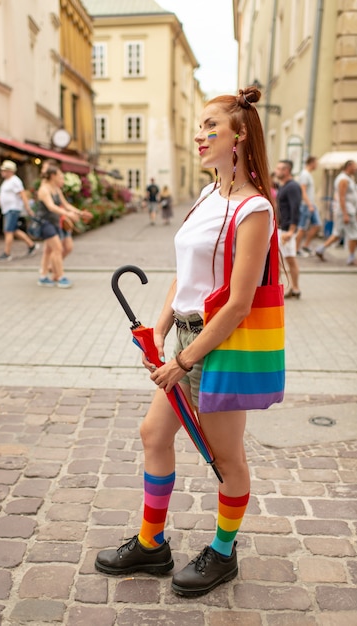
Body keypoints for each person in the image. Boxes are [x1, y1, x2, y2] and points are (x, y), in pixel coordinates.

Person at [95, 86, 278, 597]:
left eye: (210, 128)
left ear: (239, 135)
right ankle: (152, 544)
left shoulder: (253, 209)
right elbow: (186, 273)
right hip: (184, 336)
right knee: (154, 434)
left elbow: (239, 303)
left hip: (221, 345)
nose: (199, 136)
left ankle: (223, 554)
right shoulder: (207, 195)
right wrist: (159, 324)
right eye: (198, 128)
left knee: (226, 458)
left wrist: (182, 359)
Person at [36, 164, 92, 288]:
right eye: (60, 175)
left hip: (54, 222)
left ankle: (43, 276)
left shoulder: (56, 189)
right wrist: (68, 214)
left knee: (49, 250)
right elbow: (51, 206)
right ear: (52, 176)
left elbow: (65, 204)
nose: (62, 177)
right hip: (45, 223)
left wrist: (79, 213)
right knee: (57, 249)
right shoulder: (44, 189)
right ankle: (61, 277)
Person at [315, 160, 357, 266]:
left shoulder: (345, 178)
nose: (355, 169)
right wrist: (345, 214)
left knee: (337, 233)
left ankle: (321, 249)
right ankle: (351, 257)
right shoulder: (343, 179)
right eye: (354, 166)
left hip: (345, 210)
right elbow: (342, 197)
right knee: (354, 235)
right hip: (346, 210)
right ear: (349, 166)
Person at [0, 160, 38, 261]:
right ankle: (31, 245)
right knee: (13, 230)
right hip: (8, 209)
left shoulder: (15, 180)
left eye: (4, 170)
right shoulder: (7, 181)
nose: (2, 171)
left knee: (8, 231)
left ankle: (7, 253)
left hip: (12, 209)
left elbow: (22, 194)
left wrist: (27, 208)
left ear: (10, 171)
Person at [274, 160, 302, 298]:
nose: (276, 171)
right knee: (280, 259)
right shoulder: (283, 186)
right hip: (281, 228)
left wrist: (291, 230)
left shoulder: (292, 187)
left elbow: (295, 208)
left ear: (286, 171)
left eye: (279, 169)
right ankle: (290, 287)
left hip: (287, 230)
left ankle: (295, 288)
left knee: (290, 259)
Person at [296, 156, 322, 256]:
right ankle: (296, 249)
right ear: (311, 163)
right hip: (306, 205)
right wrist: (309, 204)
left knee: (317, 225)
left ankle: (305, 246)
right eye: (316, 163)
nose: (317, 165)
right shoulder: (305, 174)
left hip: (311, 204)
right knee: (302, 227)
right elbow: (303, 191)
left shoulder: (308, 174)